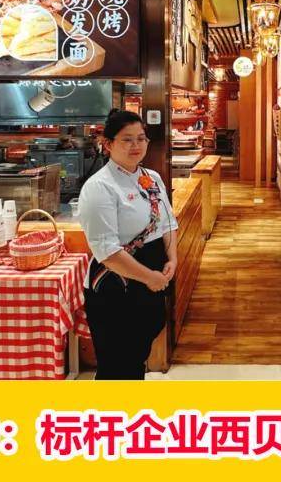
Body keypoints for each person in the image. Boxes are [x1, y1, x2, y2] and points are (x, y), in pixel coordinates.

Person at [78, 109, 179, 379]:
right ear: (108, 144)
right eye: (127, 139)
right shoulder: (99, 187)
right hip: (117, 285)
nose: (136, 145)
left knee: (137, 357)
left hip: (151, 280)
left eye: (141, 138)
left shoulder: (152, 177)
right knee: (117, 366)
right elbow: (107, 251)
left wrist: (172, 259)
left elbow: (167, 223)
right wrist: (150, 278)